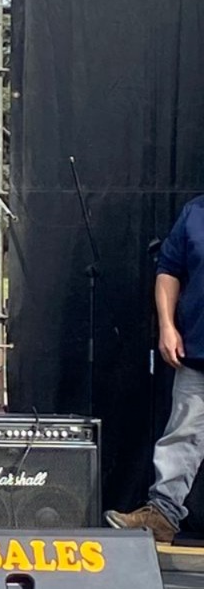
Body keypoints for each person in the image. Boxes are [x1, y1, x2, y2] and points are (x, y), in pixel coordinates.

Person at [105, 195, 204, 543]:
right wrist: (167, 326)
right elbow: (169, 271)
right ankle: (162, 514)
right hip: (198, 352)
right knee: (183, 435)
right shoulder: (195, 212)